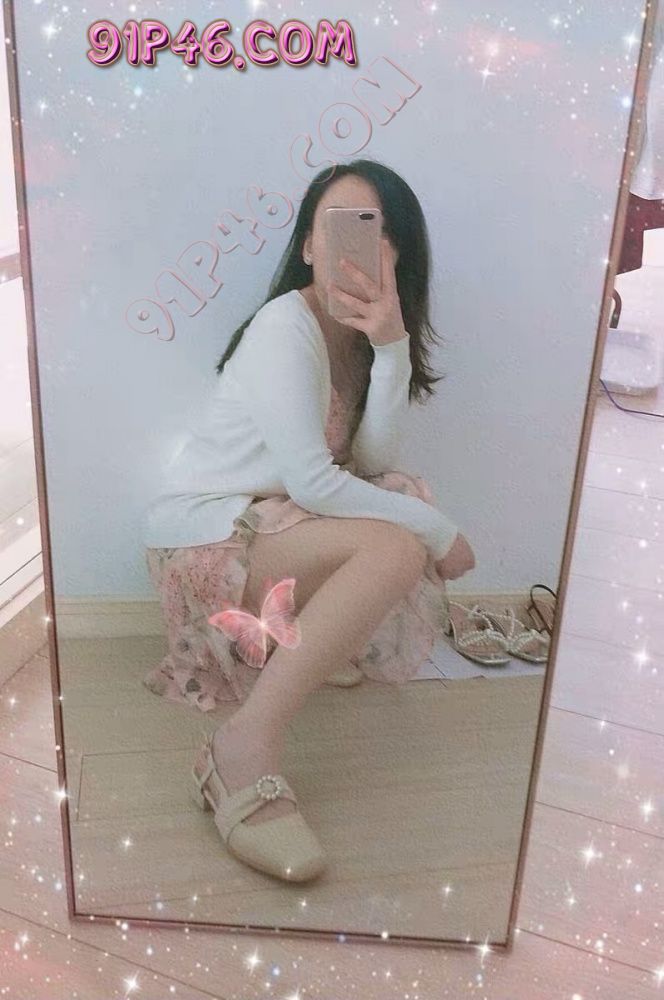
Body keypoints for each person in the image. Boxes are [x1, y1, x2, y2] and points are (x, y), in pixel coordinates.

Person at [141, 158, 475, 881]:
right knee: (400, 541)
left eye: (375, 232)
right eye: (337, 227)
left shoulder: (357, 339)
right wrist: (440, 534)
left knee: (397, 495)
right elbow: (316, 483)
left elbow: (371, 460)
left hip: (269, 522)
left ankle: (301, 653)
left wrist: (391, 346)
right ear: (308, 246)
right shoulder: (282, 328)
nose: (355, 249)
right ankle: (239, 749)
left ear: (399, 256)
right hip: (208, 538)